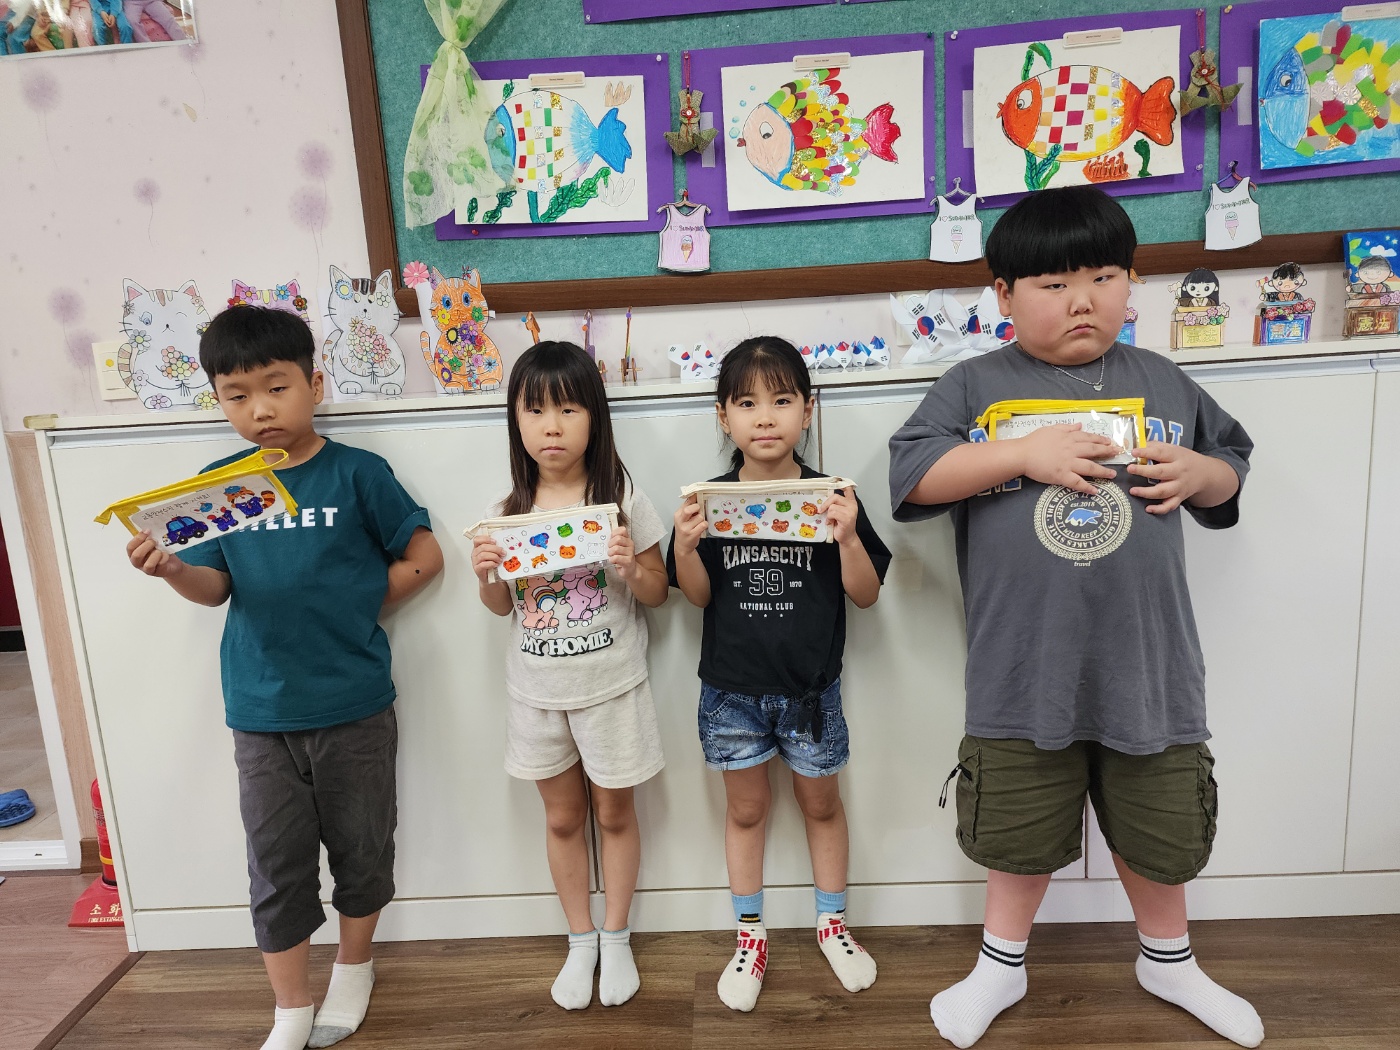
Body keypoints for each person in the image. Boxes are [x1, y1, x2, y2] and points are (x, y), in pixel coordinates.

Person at [887, 185, 1262, 1049]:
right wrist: (1021, 453)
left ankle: (1169, 961)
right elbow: (913, 476)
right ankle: (1000, 966)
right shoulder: (974, 385)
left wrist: (1203, 476)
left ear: (1132, 283)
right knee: (1017, 828)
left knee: (1158, 824)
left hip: (1149, 665)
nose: (1082, 300)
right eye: (1053, 283)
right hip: (1023, 668)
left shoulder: (1162, 379)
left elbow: (1230, 467)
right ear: (1003, 294)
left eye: (1102, 276)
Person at [124, 306, 443, 1050]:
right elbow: (214, 588)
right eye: (237, 395)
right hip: (261, 714)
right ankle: (290, 1008)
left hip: (355, 705)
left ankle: (355, 968)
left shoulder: (358, 472)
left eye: (276, 387)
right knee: (276, 867)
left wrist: (355, 606)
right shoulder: (217, 485)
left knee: (364, 849)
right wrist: (169, 569)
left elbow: (425, 557)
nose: (260, 409)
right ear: (219, 400)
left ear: (314, 385)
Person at [669, 337, 890, 1012]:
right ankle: (749, 934)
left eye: (782, 400)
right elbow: (697, 597)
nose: (765, 417)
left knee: (821, 804)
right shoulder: (707, 502)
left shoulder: (833, 496)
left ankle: (832, 924)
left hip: (812, 693)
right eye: (746, 402)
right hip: (731, 693)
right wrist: (685, 546)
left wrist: (847, 536)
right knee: (746, 811)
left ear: (808, 410)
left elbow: (866, 594)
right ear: (723, 416)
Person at [470, 341, 669, 1011]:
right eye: (534, 411)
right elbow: (501, 607)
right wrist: (485, 576)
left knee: (615, 812)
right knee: (561, 820)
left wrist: (629, 568)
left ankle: (617, 935)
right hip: (536, 694)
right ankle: (580, 938)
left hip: (612, 687)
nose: (550, 427)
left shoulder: (622, 498)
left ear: (594, 417)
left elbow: (658, 592)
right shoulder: (507, 510)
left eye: (568, 409)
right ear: (516, 421)